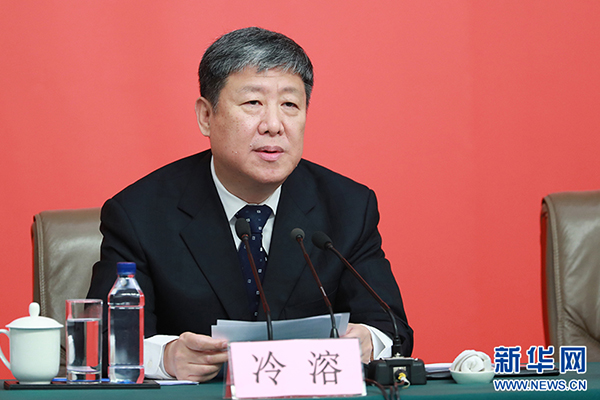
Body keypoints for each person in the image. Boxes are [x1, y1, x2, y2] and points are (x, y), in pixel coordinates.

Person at [87, 27, 413, 382]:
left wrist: (368, 341)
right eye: (253, 103)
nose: (274, 125)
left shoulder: (348, 207)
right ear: (206, 116)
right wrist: (165, 358)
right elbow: (105, 340)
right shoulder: (139, 213)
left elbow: (391, 327)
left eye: (290, 105)